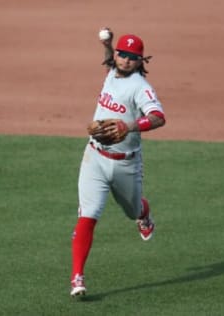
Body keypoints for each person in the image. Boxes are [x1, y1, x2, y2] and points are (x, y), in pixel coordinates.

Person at [70, 27, 166, 297]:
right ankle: (77, 276)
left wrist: (129, 127)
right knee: (87, 216)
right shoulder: (112, 72)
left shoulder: (141, 88)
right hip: (95, 158)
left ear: (141, 61)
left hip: (126, 164)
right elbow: (109, 61)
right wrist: (108, 45)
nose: (125, 60)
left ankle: (143, 214)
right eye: (122, 55)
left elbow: (158, 117)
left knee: (132, 210)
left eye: (131, 57)